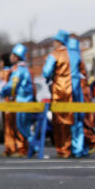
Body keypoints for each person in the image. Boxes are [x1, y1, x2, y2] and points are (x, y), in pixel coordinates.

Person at [42, 30, 74, 158]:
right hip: (71, 89)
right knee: (70, 119)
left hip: (58, 90)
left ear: (58, 41)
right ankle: (70, 147)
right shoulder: (72, 54)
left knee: (58, 120)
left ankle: (62, 149)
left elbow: (46, 72)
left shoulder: (54, 55)